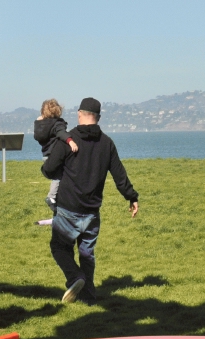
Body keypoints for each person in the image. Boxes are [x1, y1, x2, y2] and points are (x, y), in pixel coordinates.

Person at [41, 97, 139, 303]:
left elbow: (49, 170)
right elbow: (119, 175)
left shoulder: (68, 140)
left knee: (59, 248)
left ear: (79, 114)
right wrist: (132, 197)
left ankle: (75, 277)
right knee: (86, 253)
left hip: (68, 207)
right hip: (92, 211)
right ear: (99, 118)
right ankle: (88, 296)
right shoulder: (107, 143)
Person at [33, 99, 78, 214]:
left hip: (45, 155)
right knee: (59, 176)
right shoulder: (57, 124)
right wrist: (70, 141)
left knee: (58, 176)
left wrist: (39, 121)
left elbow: (37, 136)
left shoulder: (40, 126)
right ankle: (52, 197)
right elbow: (61, 133)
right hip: (55, 155)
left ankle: (57, 198)